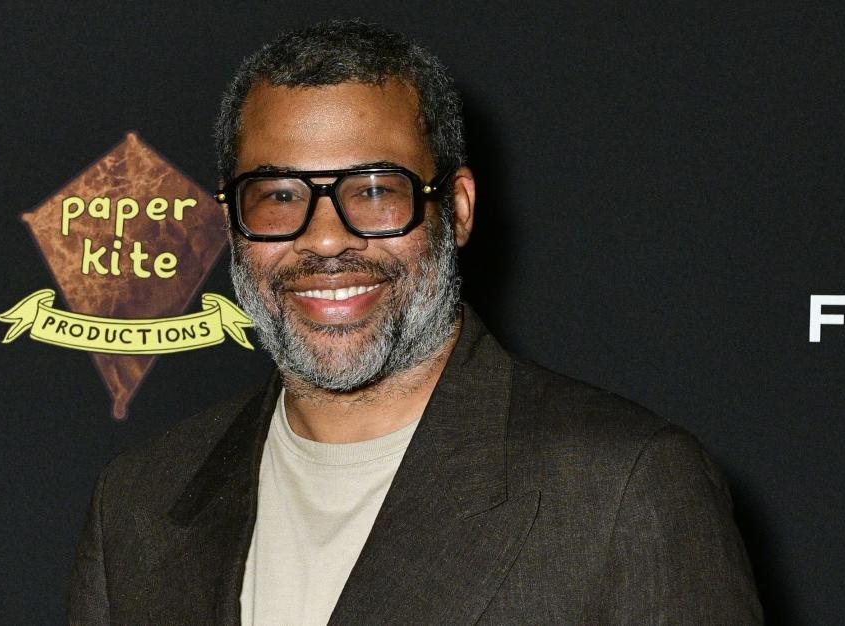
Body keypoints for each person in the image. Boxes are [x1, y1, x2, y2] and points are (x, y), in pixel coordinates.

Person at [68, 18, 762, 625]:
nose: (329, 238)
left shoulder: (620, 489)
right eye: (279, 194)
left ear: (455, 209)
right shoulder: (139, 501)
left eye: (373, 190)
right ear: (232, 222)